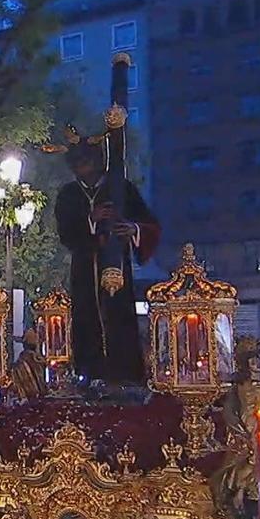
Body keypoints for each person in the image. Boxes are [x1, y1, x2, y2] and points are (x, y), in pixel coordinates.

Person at [54, 145, 159, 383]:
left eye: (87, 161)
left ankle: (126, 377)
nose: (83, 168)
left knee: (119, 319)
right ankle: (89, 376)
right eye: (78, 163)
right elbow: (66, 234)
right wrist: (91, 220)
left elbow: (149, 224)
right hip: (84, 270)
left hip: (116, 267)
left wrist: (134, 229)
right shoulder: (68, 194)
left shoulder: (121, 190)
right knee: (86, 319)